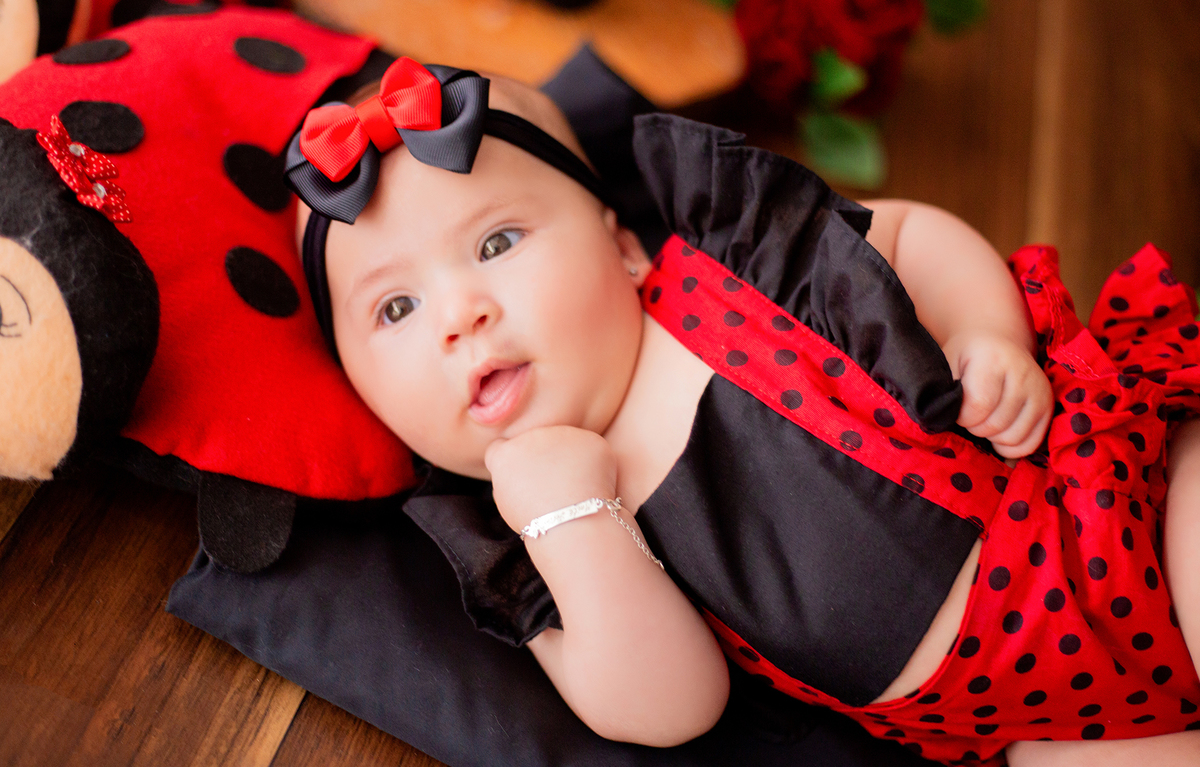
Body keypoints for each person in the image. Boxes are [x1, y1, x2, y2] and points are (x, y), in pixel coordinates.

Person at [285, 56, 1200, 766]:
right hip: (1044, 716)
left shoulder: (731, 267)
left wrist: (982, 334)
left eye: (496, 241)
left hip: (1100, 498)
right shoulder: (523, 544)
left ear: (626, 249)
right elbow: (670, 706)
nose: (461, 315)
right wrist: (568, 517)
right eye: (394, 309)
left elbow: (904, 237)